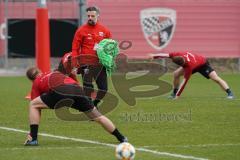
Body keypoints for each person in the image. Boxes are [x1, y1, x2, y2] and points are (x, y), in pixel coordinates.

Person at [24, 67, 127, 146]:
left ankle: (33, 138)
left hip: (61, 91)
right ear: (40, 71)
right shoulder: (55, 72)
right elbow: (72, 77)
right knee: (98, 117)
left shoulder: (36, 82)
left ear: (31, 79)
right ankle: (121, 138)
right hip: (77, 90)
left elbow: (36, 104)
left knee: (33, 105)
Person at [71, 6, 111, 107]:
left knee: (103, 89)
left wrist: (109, 58)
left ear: (97, 15)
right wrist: (75, 64)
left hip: (100, 64)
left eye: (92, 16)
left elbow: (110, 47)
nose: (90, 18)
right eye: (88, 15)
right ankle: (90, 110)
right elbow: (75, 48)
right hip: (85, 64)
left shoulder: (105, 30)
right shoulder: (81, 31)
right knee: (88, 88)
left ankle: (95, 103)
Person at [151, 51, 234, 99]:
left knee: (215, 78)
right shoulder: (177, 54)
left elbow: (184, 82)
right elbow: (166, 55)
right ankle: (174, 93)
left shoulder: (189, 67)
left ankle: (230, 93)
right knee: (176, 74)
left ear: (182, 64)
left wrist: (178, 96)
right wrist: (154, 56)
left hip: (203, 64)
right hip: (194, 63)